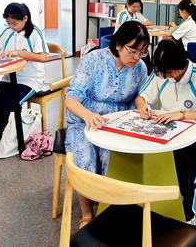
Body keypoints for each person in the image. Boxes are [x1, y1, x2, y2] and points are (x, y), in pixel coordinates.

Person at [64, 20, 150, 228]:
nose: (137, 57)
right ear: (118, 44)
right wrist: (87, 115)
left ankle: (109, 209)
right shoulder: (94, 60)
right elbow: (71, 98)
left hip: (118, 123)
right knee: (85, 158)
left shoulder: (140, 67)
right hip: (84, 122)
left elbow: (140, 94)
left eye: (142, 52)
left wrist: (141, 105)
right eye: (133, 51)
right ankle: (87, 214)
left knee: (112, 159)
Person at [134, 38, 196, 224]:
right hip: (166, 132)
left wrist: (182, 115)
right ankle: (156, 213)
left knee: (186, 177)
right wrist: (143, 108)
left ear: (181, 64)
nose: (167, 76)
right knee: (147, 167)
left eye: (170, 72)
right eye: (164, 72)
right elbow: (141, 97)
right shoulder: (162, 72)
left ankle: (189, 219)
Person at [0, 3, 48, 132]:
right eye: (8, 23)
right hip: (9, 78)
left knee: (9, 105)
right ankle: (9, 134)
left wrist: (20, 52)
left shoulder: (35, 33)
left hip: (30, 79)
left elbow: (43, 57)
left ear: (25, 18)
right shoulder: (8, 31)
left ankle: (11, 135)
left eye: (14, 24)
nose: (11, 27)